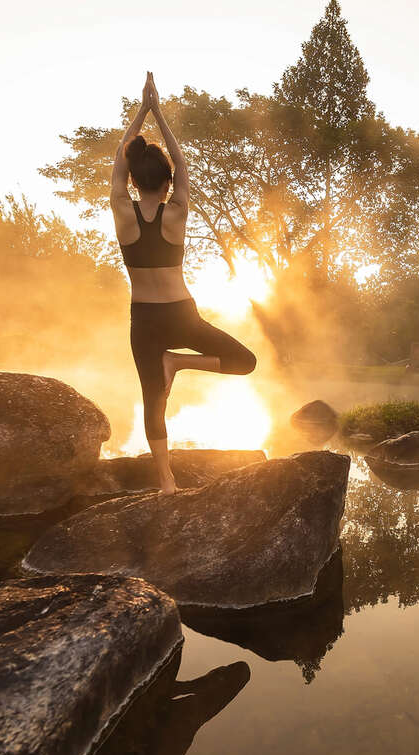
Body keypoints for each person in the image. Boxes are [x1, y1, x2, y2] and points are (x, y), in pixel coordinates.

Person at [111, 71, 256, 494]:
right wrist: (160, 112)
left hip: (144, 319)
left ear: (135, 181)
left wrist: (141, 111)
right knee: (245, 362)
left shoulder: (122, 211)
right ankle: (180, 361)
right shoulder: (177, 212)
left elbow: (120, 159)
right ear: (168, 181)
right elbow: (184, 164)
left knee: (153, 400)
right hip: (181, 315)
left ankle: (166, 481)